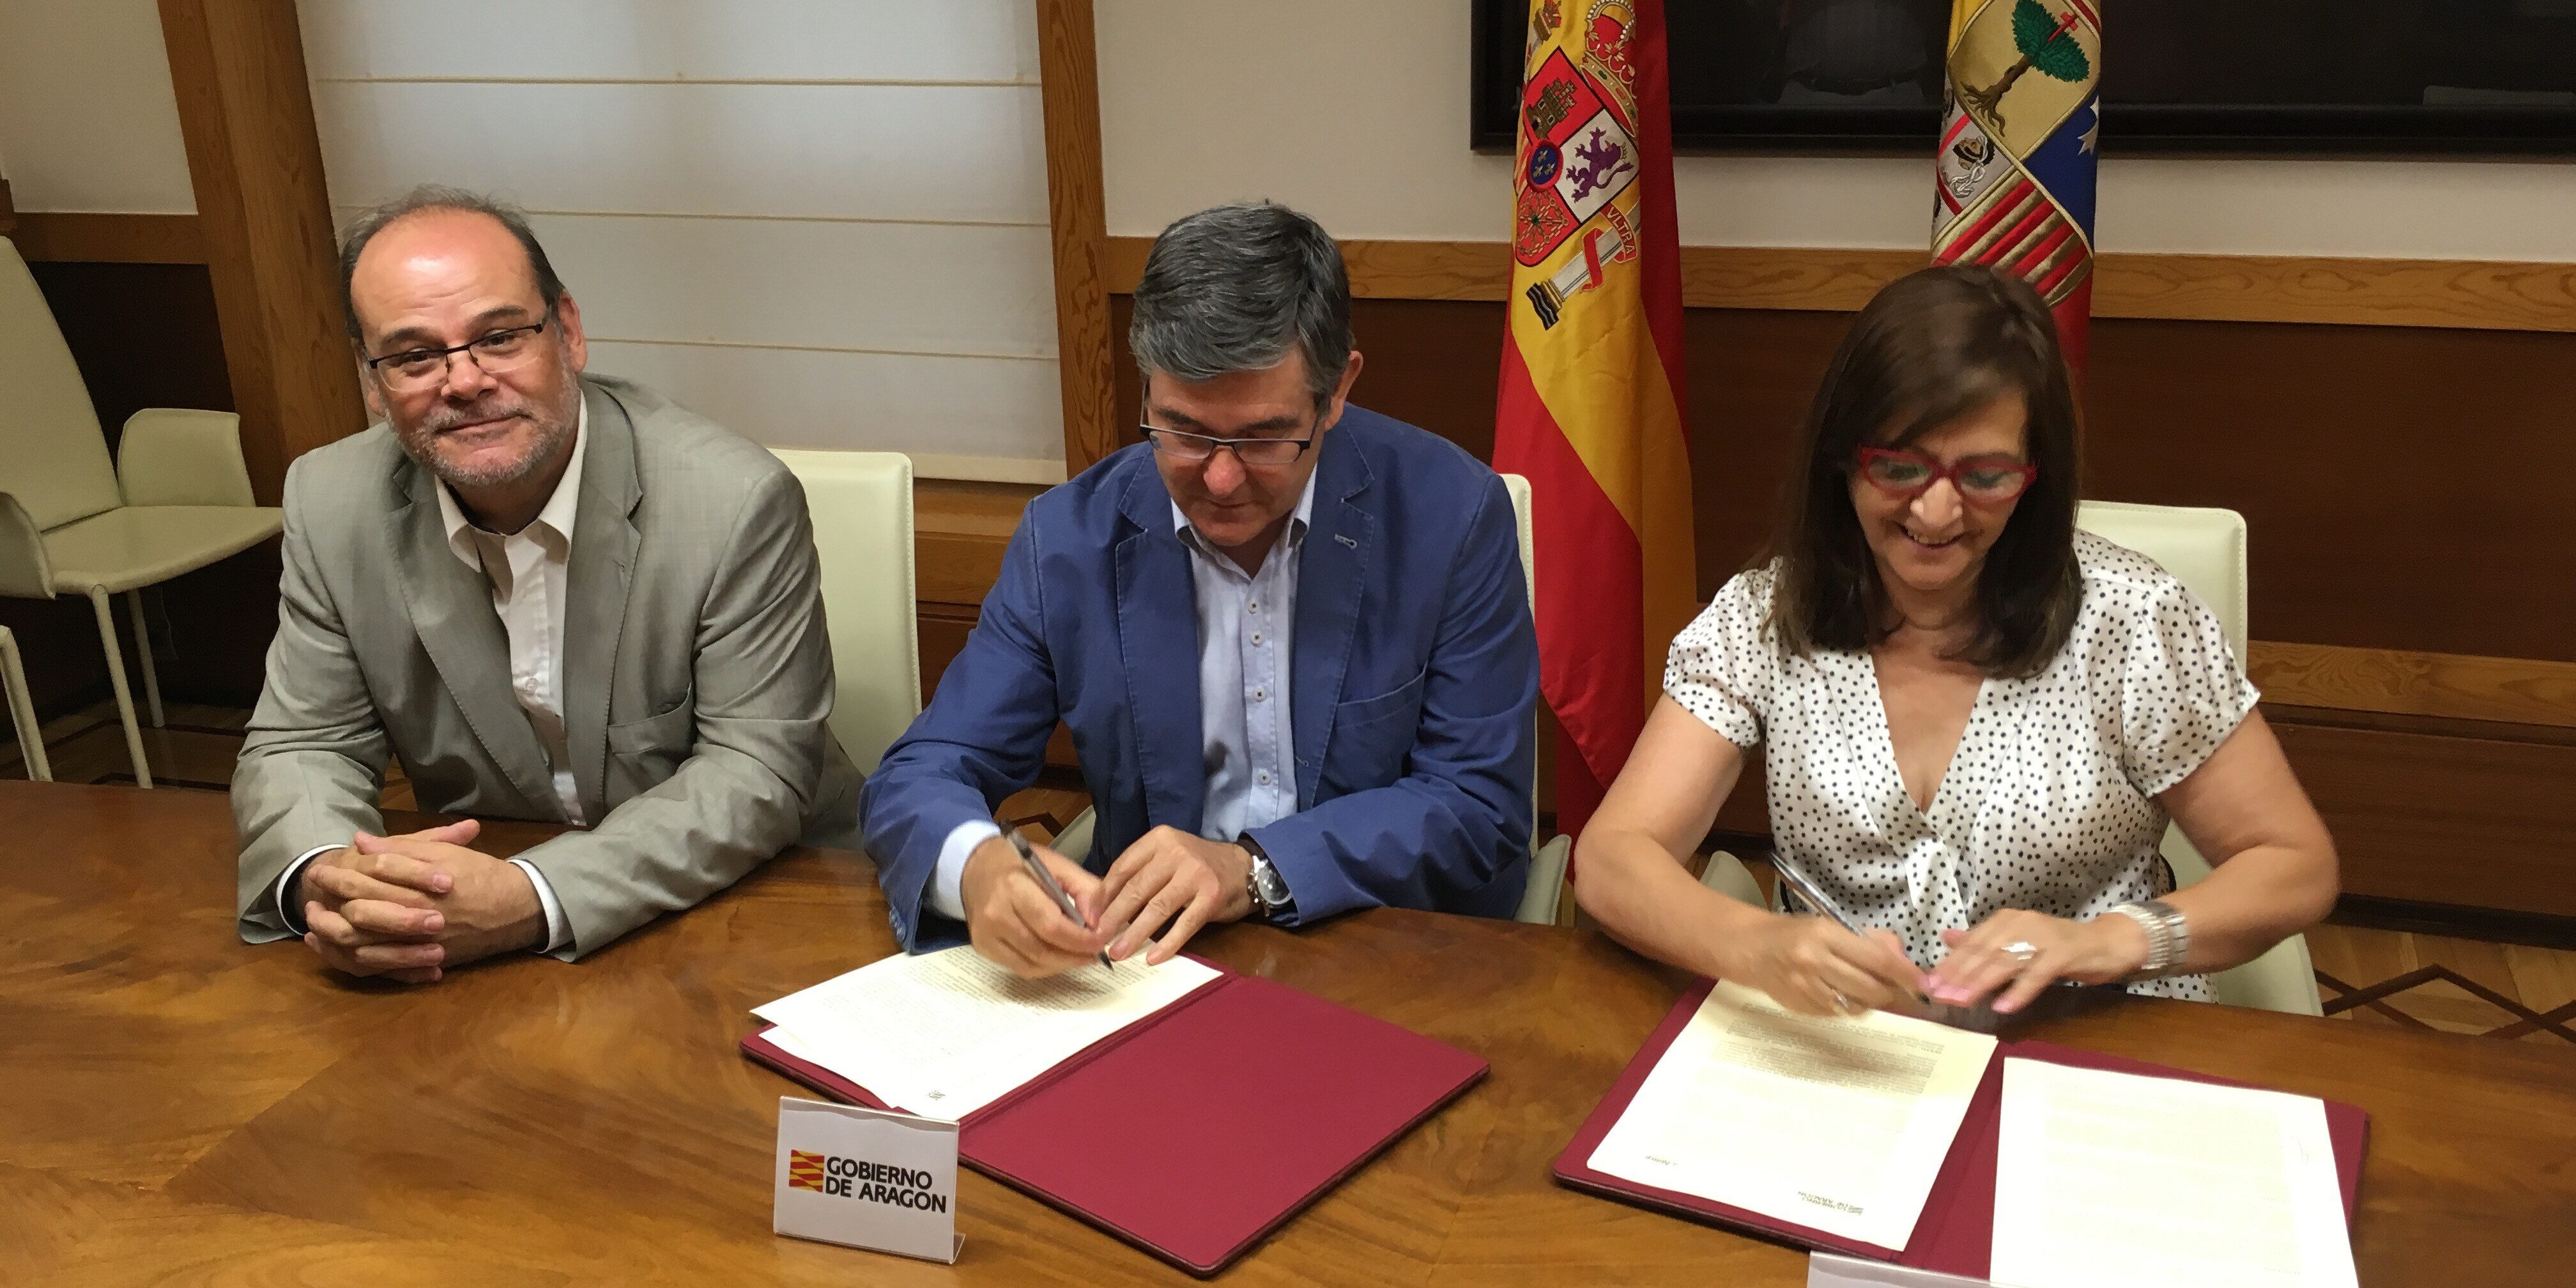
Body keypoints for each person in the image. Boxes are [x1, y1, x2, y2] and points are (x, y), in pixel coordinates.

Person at [1573, 264, 2337, 1016]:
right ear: (1842, 459)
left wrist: (2110, 940)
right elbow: (1613, 857)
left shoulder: (2135, 621)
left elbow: (2294, 865)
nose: (1937, 513)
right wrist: (1753, 943)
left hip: (2099, 1033)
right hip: (1856, 1041)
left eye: (1986, 476)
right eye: (1899, 467)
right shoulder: (1766, 615)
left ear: (2034, 477)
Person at [862, 201, 1538, 976]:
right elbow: (921, 773)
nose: (1219, 479)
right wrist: (977, 864)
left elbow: (1477, 804)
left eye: (1263, 438)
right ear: (1145, 391)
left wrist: (1253, 868)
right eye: (1183, 432)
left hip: (1392, 953)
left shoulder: (1451, 517)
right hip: (1151, 966)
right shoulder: (1071, 539)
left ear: (1337, 392)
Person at [233, 186, 860, 980]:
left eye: (499, 337)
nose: (464, 382)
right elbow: (304, 741)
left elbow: (756, 772)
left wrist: (532, 897)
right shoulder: (331, 503)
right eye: (415, 356)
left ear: (568, 331)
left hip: (757, 905)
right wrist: (329, 877)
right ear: (370, 379)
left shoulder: (731, 500)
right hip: (472, 929)